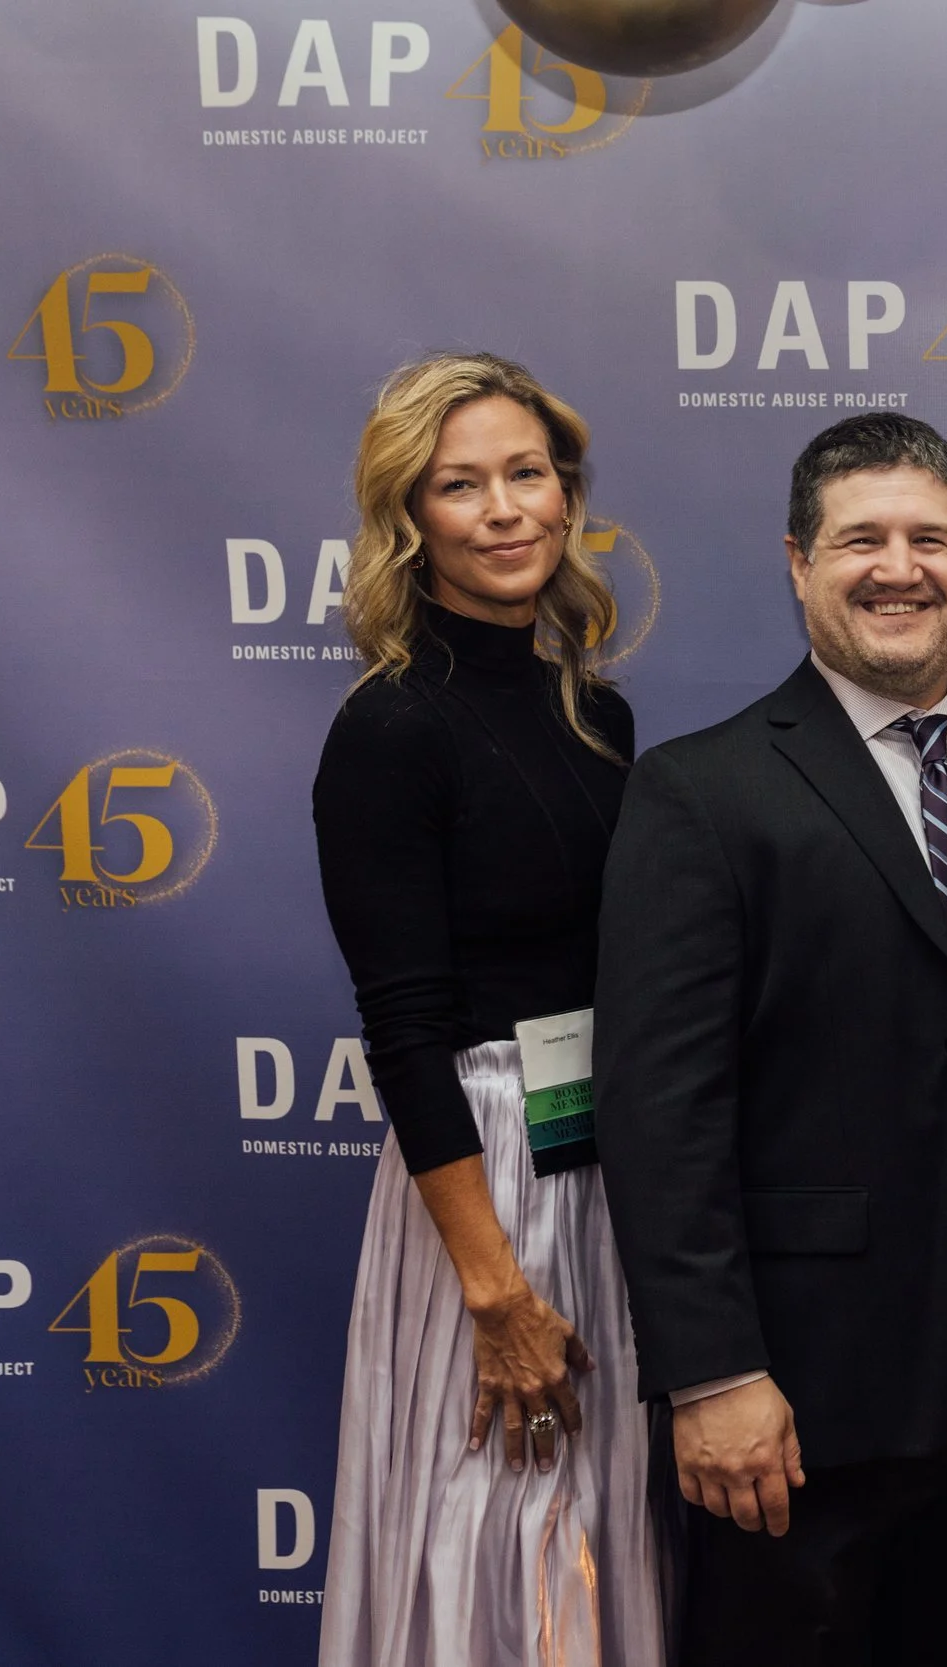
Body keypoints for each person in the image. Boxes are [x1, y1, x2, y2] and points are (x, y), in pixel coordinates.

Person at [593, 412, 947, 1666]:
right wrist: (712, 1370)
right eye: (861, 539)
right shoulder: (703, 789)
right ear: (798, 561)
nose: (900, 566)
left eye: (930, 538)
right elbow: (658, 1108)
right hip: (806, 1372)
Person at [311, 353, 661, 1667]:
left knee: (588, 1523)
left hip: (603, 1154)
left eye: (529, 474)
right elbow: (404, 1026)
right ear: (414, 519)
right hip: (483, 1178)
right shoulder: (390, 728)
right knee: (490, 1526)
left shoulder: (598, 715)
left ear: (567, 500)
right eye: (463, 485)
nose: (506, 508)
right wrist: (493, 1286)